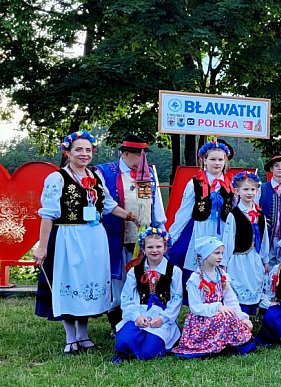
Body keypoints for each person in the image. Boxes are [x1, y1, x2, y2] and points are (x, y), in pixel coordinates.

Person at [34, 130, 140, 355]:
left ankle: (83, 334)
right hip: (69, 237)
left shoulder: (95, 177)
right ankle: (70, 337)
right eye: (79, 150)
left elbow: (109, 205)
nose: (84, 154)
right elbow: (48, 214)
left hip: (95, 237)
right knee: (70, 282)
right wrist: (42, 246)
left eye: (88, 150)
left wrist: (131, 216)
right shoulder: (57, 178)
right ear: (68, 153)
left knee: (88, 284)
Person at [96, 134, 167, 333]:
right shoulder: (105, 172)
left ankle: (142, 319)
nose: (142, 160)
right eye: (138, 155)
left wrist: (160, 229)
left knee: (141, 279)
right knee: (118, 281)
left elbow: (156, 205)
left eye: (144, 155)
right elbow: (103, 204)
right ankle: (116, 321)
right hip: (115, 236)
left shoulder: (148, 173)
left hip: (143, 239)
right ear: (126, 153)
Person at [172, 236, 256, 357]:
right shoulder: (196, 279)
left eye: (222, 253)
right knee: (223, 318)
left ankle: (229, 343)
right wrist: (217, 307)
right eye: (216, 253)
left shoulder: (221, 275)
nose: (220, 256)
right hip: (201, 319)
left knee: (231, 316)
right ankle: (211, 345)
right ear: (205, 255)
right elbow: (195, 307)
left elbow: (231, 300)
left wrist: (242, 318)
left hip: (218, 314)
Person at [167, 140, 235, 280]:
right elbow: (184, 211)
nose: (217, 163)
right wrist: (172, 236)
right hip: (199, 228)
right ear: (204, 160)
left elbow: (235, 210)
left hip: (222, 229)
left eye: (220, 159)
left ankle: (217, 293)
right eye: (213, 159)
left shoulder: (231, 184)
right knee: (194, 259)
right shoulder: (195, 183)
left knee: (220, 260)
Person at [113, 228, 182, 362]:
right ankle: (130, 345)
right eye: (150, 247)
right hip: (140, 314)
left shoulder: (174, 271)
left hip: (161, 316)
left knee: (148, 351)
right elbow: (126, 297)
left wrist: (163, 318)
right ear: (143, 249)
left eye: (158, 246)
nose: (154, 250)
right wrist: (136, 316)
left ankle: (152, 347)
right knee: (123, 343)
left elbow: (176, 299)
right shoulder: (135, 271)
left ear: (165, 248)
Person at [221, 172, 270, 316]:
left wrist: (265, 259)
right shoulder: (233, 214)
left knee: (254, 283)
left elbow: (264, 238)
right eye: (245, 189)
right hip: (238, 260)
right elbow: (228, 239)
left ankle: (251, 317)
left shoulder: (260, 214)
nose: (249, 193)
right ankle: (238, 319)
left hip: (254, 258)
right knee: (239, 285)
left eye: (252, 190)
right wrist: (224, 262)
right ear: (237, 191)